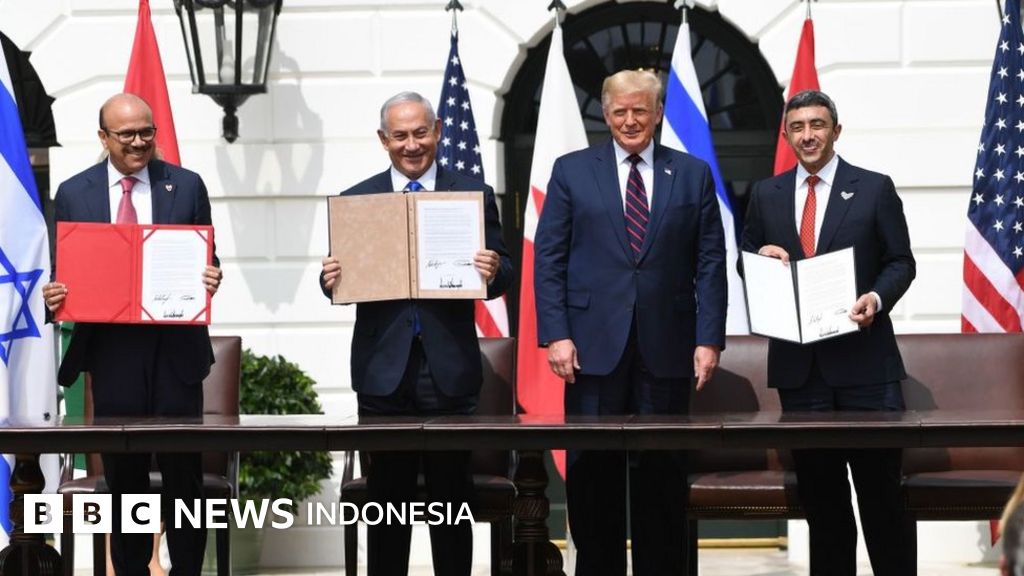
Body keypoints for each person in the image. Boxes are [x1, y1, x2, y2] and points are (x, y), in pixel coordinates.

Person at [533, 69, 728, 575]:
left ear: (658, 112)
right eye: (619, 111)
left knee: (661, 481)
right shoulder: (572, 171)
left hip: (667, 349)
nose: (630, 120)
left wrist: (709, 338)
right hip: (591, 352)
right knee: (593, 481)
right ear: (605, 114)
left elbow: (710, 262)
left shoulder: (692, 174)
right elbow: (548, 259)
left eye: (640, 110)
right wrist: (556, 334)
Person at [319, 91, 513, 576]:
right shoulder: (356, 200)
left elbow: (504, 272)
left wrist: (493, 269)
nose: (412, 145)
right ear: (383, 140)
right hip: (383, 372)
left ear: (439, 131)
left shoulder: (472, 193)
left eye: (421, 133)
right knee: (387, 508)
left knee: (452, 505)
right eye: (401, 135)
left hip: (449, 371)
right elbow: (341, 281)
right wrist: (330, 280)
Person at [43, 93, 222, 576]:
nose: (139, 142)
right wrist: (55, 294)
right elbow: (63, 270)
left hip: (176, 352)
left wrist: (211, 275)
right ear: (104, 137)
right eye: (127, 134)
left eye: (147, 132)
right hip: (112, 353)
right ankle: (129, 570)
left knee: (184, 477)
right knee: (125, 480)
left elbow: (208, 257)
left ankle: (188, 570)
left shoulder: (185, 185)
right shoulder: (74, 192)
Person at [741, 89, 917, 576]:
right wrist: (760, 259)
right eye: (797, 127)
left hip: (867, 369)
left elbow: (901, 262)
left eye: (817, 125)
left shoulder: (874, 188)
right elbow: (747, 260)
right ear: (786, 135)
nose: (808, 135)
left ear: (836, 131)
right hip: (802, 373)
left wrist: (876, 298)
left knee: (882, 500)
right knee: (824, 506)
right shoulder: (766, 194)